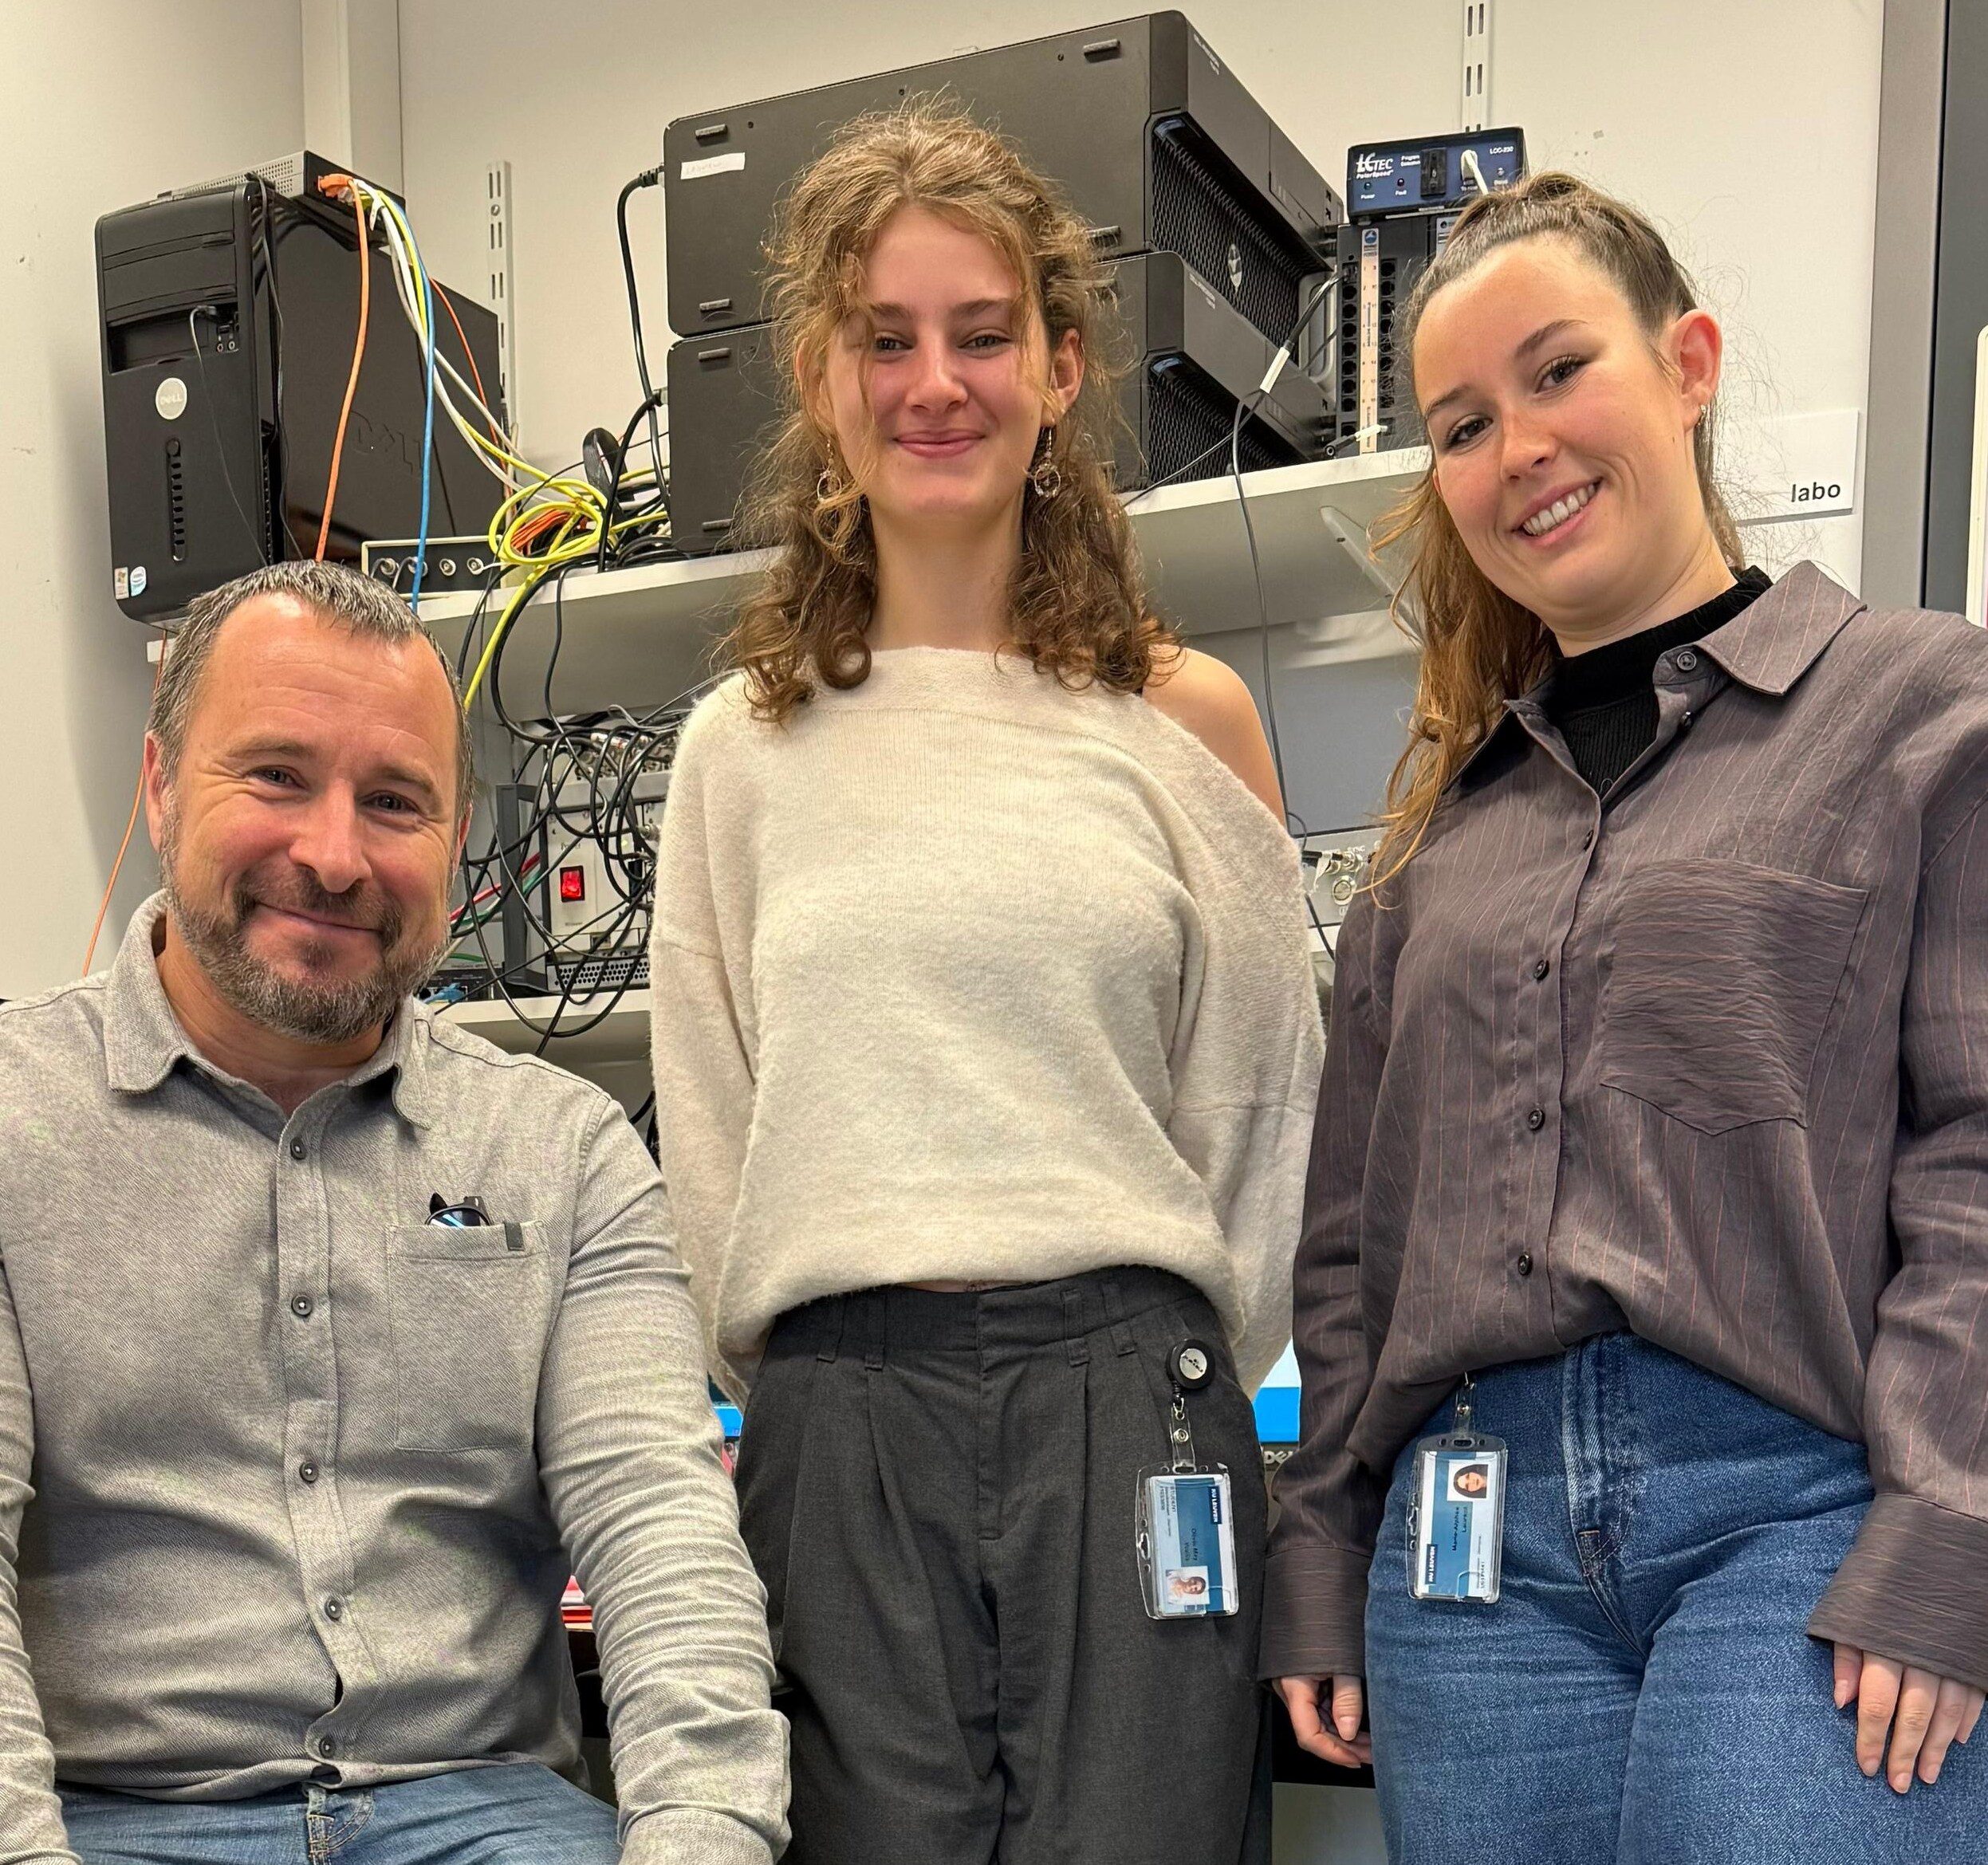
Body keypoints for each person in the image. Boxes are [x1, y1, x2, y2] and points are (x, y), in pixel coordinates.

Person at [1263, 170, 1988, 1862]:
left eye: (1556, 370)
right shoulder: (1438, 833)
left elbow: (1976, 1150)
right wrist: (1319, 1550)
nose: (1514, 446)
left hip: (1800, 1514)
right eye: (1459, 425)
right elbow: (1352, 1239)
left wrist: (1951, 1526)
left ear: (1687, 366)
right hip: (1465, 1558)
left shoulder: (1920, 708)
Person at [646, 104, 1323, 1865]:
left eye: (981, 333)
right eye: (885, 339)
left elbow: (1266, 1107)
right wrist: (820, 1388)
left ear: (1059, 366)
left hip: (1134, 1407)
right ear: (820, 379)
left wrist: (1162, 1355)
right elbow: (710, 1122)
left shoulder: (1180, 724)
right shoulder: (738, 752)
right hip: (839, 1422)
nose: (933, 384)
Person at [0, 561, 788, 1865]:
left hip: (480, 1811)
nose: (332, 855)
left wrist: (699, 1838)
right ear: (160, 785)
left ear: (455, 838)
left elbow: (662, 1535)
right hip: (110, 1819)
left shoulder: (562, 1151)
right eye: (276, 776)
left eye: (393, 802)